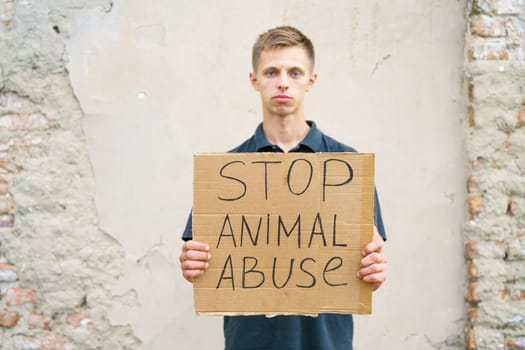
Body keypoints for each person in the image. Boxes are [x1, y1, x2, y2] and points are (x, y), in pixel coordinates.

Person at [179, 25, 387, 350]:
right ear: (255, 80)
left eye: (295, 72)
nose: (283, 82)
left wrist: (373, 270)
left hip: (327, 343)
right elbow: (202, 266)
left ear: (311, 81)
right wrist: (194, 266)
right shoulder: (224, 174)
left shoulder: (349, 168)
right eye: (272, 72)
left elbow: (365, 267)